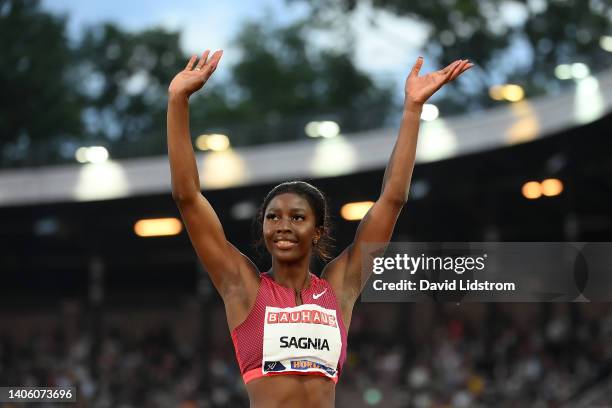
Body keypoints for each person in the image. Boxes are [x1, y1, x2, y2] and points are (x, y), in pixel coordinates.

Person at [167, 49, 472, 407]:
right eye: (273, 217)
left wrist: (412, 109)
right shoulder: (243, 286)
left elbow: (392, 200)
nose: (282, 226)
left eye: (297, 217)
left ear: (317, 230)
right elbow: (188, 197)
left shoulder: (340, 287)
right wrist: (178, 101)